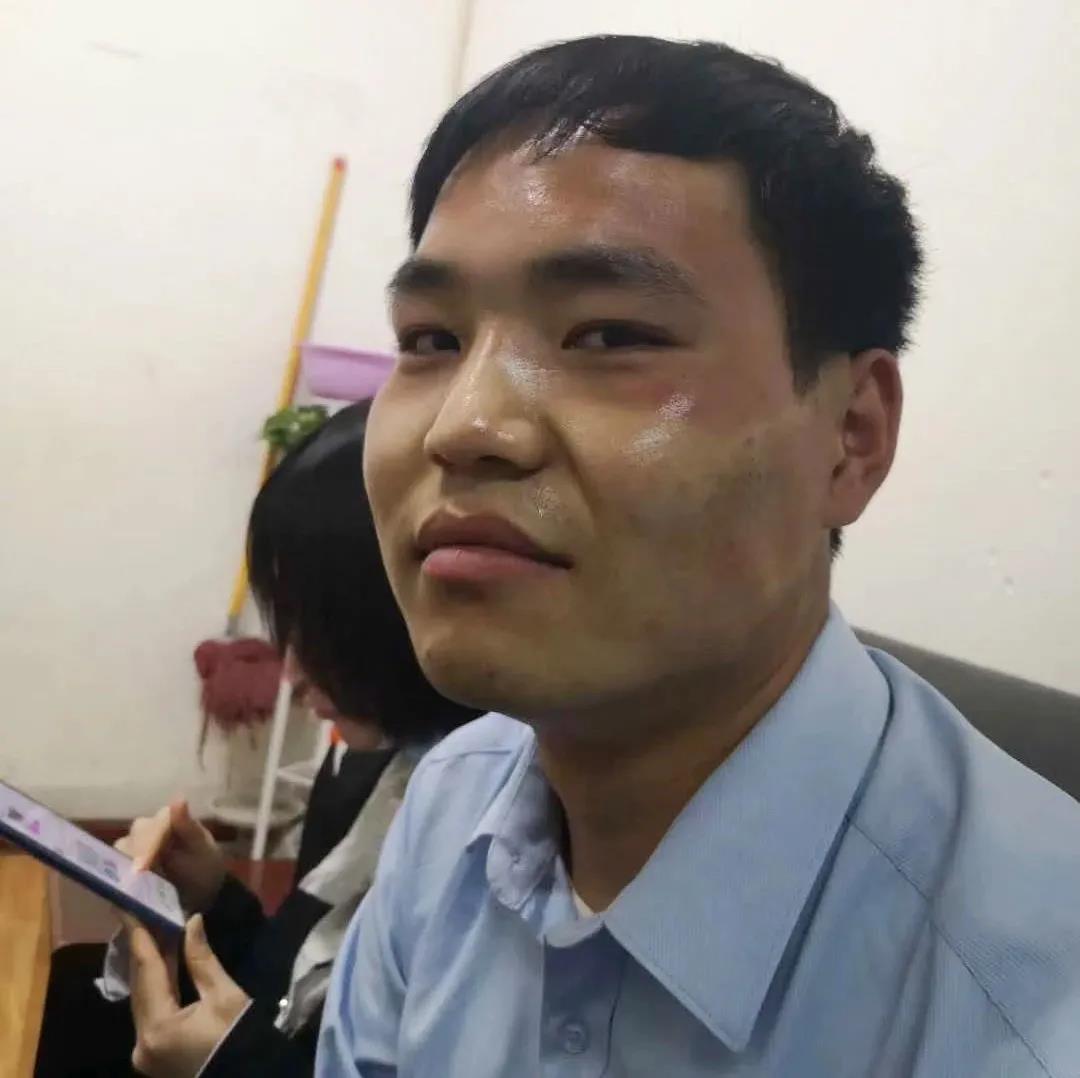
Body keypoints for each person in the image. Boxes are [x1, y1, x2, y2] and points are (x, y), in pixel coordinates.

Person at [319, 35, 1080, 1077]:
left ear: (851, 434)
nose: (464, 425)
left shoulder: (1030, 1002)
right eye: (431, 340)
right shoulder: (450, 809)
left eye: (607, 335)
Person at [34, 402, 477, 1078]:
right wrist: (216, 896)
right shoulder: (364, 770)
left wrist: (228, 1066)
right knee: (65, 999)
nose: (293, 672)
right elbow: (291, 982)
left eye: (321, 632)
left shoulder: (485, 849)